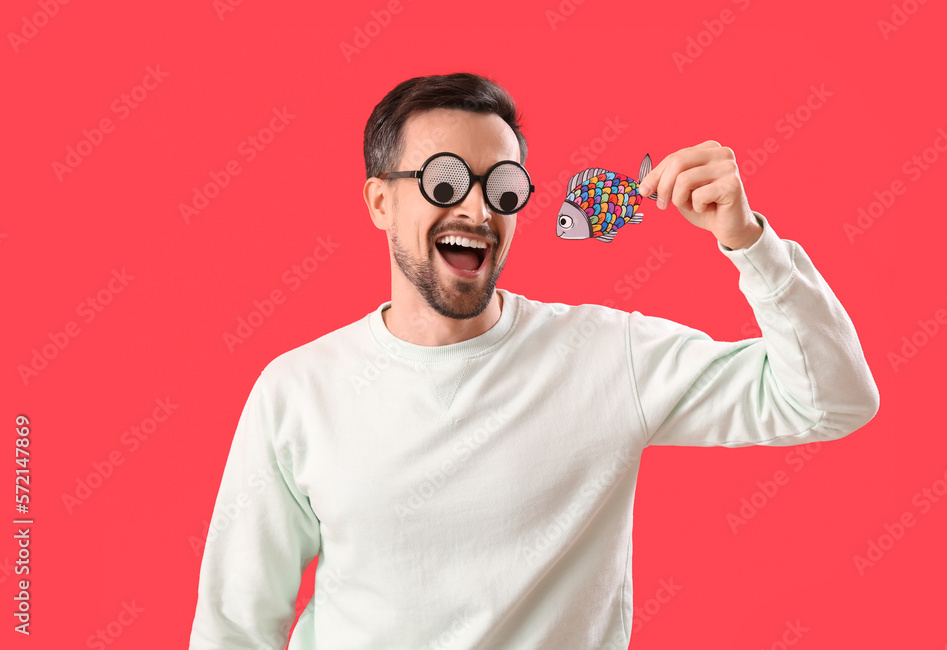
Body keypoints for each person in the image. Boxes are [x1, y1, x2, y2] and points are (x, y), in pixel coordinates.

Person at [189, 72, 879, 650]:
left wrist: (748, 241)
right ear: (379, 200)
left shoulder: (608, 356)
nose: (478, 209)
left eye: (504, 188)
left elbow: (831, 400)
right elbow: (235, 623)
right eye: (444, 183)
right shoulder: (297, 391)